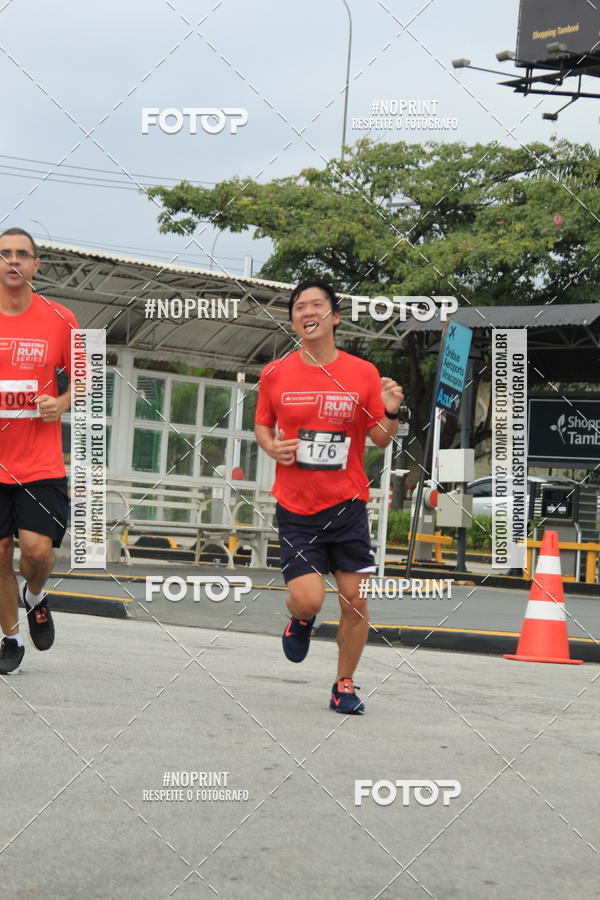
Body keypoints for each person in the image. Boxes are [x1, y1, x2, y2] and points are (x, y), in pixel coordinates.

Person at [255, 280, 403, 714]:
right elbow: (263, 424)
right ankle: (300, 620)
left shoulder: (363, 373)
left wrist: (391, 409)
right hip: (297, 506)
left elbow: (379, 438)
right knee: (308, 598)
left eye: (316, 304)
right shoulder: (275, 373)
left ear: (334, 316)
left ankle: (344, 683)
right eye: (299, 306)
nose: (307, 311)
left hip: (348, 504)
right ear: (293, 320)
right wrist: (270, 445)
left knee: (355, 602)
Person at [0, 227, 78, 674]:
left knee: (37, 551)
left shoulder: (61, 318)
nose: (13, 261)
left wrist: (62, 400)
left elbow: (89, 378)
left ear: (35, 265)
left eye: (22, 255)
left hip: (39, 464)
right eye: (5, 253)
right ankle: (10, 639)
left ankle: (34, 595)